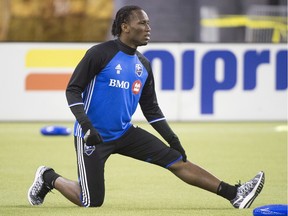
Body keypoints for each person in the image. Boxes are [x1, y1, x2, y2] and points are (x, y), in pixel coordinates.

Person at [27, 5, 265, 208]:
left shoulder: (144, 65)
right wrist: (87, 126)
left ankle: (235, 194)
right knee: (91, 201)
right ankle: (48, 176)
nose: (148, 28)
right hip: (93, 137)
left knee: (177, 161)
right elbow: (73, 89)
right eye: (142, 23)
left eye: (149, 24)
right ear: (124, 26)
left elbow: (151, 109)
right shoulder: (99, 54)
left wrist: (172, 139)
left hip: (124, 132)